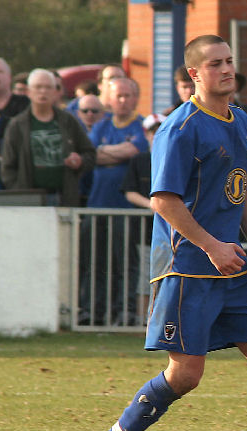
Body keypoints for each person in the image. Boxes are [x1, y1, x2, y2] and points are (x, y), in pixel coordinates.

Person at [87, 35, 247, 431]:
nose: (226, 69)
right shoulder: (179, 128)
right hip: (188, 267)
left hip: (233, 265)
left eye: (229, 61)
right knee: (186, 374)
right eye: (214, 64)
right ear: (193, 74)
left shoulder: (241, 119)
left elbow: (244, 189)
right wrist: (212, 246)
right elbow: (164, 201)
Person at [79, 77, 148, 325]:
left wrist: (104, 152)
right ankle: (91, 311)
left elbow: (134, 151)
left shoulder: (141, 126)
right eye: (118, 96)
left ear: (136, 98)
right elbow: (90, 154)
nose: (123, 101)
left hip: (125, 208)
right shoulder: (101, 124)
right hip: (96, 205)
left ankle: (125, 312)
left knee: (125, 263)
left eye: (128, 96)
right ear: (109, 98)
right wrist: (116, 152)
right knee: (92, 261)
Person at [0, 69, 96, 206]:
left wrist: (80, 161)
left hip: (63, 197)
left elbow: (90, 154)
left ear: (55, 92)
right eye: (38, 87)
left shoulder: (68, 121)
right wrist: (20, 193)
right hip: (30, 201)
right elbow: (7, 168)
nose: (43, 91)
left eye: (48, 87)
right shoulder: (17, 125)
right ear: (28, 91)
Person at [120, 112, 165, 322]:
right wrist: (152, 205)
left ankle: (163, 319)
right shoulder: (139, 160)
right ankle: (144, 320)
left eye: (160, 131)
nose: (156, 136)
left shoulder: (175, 158)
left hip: (173, 232)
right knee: (145, 277)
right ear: (146, 134)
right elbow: (129, 191)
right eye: (152, 132)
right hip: (144, 231)